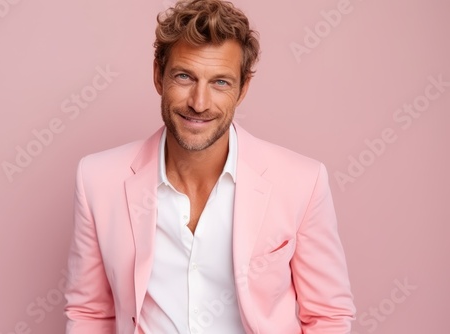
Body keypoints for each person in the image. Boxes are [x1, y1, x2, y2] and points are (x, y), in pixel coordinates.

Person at [64, 0, 356, 333]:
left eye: (220, 82)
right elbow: (89, 312)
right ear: (158, 76)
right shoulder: (98, 179)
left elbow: (328, 315)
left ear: (243, 88)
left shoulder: (303, 182)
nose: (199, 103)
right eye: (185, 76)